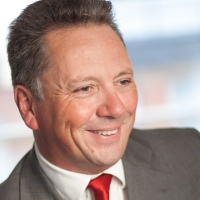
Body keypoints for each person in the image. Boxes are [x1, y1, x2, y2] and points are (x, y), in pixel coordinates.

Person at [0, 0, 200, 199]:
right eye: (85, 88)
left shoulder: (190, 153)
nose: (117, 109)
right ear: (28, 107)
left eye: (123, 81)